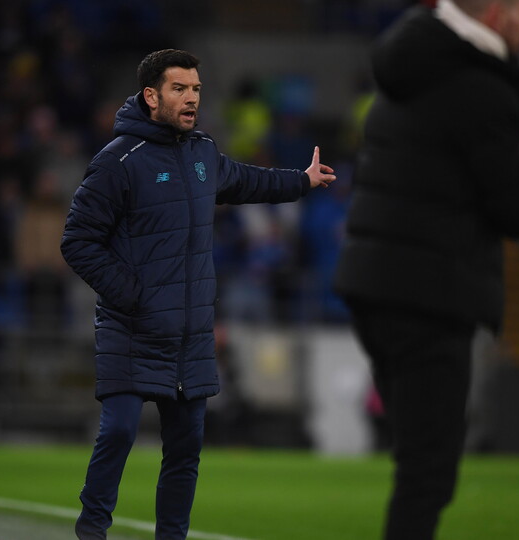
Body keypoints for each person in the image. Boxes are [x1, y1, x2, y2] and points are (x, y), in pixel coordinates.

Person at [61, 49, 336, 540]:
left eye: (196, 90)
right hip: (132, 325)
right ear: (151, 96)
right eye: (180, 89)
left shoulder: (203, 152)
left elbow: (248, 180)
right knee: (119, 432)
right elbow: (77, 241)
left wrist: (302, 181)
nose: (191, 99)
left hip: (189, 333)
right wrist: (132, 293)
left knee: (186, 449)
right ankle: (91, 533)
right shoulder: (117, 161)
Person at [332, 1, 519, 539]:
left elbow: (444, 165)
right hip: (431, 294)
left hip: (371, 285)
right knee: (429, 474)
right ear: (493, 15)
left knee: (420, 460)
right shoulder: (479, 89)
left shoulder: (409, 69)